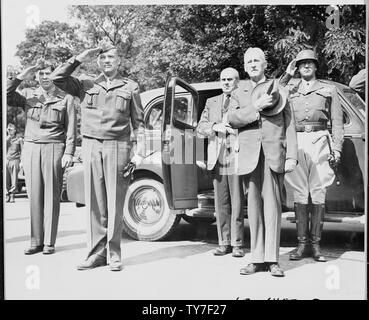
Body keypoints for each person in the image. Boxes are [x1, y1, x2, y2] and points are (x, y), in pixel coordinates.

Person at [51, 44, 145, 271]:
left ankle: (113, 254)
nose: (106, 61)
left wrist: (139, 152)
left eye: (111, 57)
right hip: (91, 146)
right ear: (97, 61)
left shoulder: (130, 87)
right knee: (94, 202)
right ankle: (96, 254)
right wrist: (79, 58)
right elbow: (57, 78)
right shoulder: (85, 84)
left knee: (114, 201)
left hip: (118, 146)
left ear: (118, 61)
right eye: (102, 57)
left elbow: (139, 123)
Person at [227, 48, 298, 277]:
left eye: (257, 60)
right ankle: (256, 259)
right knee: (254, 208)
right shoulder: (238, 91)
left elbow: (290, 125)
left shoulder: (279, 88)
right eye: (249, 62)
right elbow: (232, 119)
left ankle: (272, 259)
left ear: (265, 64)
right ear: (245, 67)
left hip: (273, 154)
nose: (253, 64)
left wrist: (292, 156)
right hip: (249, 156)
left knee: (273, 207)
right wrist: (255, 107)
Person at [7, 59, 76, 255]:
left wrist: (69, 152)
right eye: (41, 74)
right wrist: (22, 74)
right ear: (36, 77)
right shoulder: (29, 95)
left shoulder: (66, 98)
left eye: (48, 73)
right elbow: (6, 94)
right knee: (34, 195)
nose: (45, 77)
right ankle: (35, 241)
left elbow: (71, 129)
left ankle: (48, 242)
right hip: (30, 148)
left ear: (54, 76)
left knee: (52, 196)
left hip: (54, 147)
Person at [281, 49, 344, 262]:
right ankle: (301, 245)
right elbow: (273, 94)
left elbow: (336, 121)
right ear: (297, 67)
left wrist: (337, 148)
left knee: (317, 192)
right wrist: (287, 75)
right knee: (300, 192)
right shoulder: (290, 88)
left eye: (310, 63)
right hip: (296, 141)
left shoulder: (329, 89)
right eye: (302, 64)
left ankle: (316, 246)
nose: (306, 66)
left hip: (319, 141)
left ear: (316, 66)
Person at [197, 67, 245, 258]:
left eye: (230, 79)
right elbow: (200, 127)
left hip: (237, 154)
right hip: (218, 157)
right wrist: (215, 126)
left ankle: (238, 244)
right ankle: (223, 242)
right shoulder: (212, 102)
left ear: (237, 82)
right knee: (221, 202)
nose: (226, 82)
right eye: (223, 79)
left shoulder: (243, 100)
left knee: (237, 202)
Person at [6, 123, 23, 203]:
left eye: (11, 130)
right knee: (6, 179)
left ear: (15, 130)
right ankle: (7, 194)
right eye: (8, 129)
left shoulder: (19, 140)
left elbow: (22, 151)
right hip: (6, 160)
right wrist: (7, 138)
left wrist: (21, 162)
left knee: (14, 179)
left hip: (15, 160)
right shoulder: (6, 139)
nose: (9, 131)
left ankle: (12, 195)